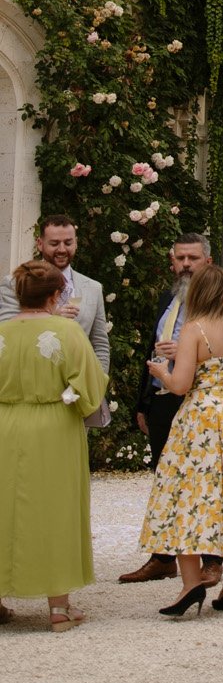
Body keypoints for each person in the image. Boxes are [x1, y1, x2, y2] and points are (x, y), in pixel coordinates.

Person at [140, 261, 223, 616]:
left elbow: (181, 385)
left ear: (197, 293)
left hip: (201, 418)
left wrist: (160, 372)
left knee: (187, 493)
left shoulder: (194, 330)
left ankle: (190, 585)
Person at [120, 233, 223, 585]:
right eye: (180, 259)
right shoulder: (166, 297)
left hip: (202, 401)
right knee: (167, 481)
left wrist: (189, 355)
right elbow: (152, 345)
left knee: (209, 481)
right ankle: (163, 558)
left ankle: (211, 560)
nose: (186, 265)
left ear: (208, 261)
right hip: (164, 396)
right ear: (172, 262)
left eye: (192, 258)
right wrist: (143, 401)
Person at [0, 258, 107, 629]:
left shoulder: (1, 333)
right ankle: (59, 607)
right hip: (52, 426)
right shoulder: (66, 332)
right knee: (56, 510)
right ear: (56, 294)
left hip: (4, 424)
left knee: (3, 507)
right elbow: (90, 388)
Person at [0, 214, 111, 376]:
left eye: (68, 243)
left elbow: (99, 344)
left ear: (76, 243)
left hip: (79, 387)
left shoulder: (93, 288)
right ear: (40, 244)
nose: (62, 249)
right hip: (32, 381)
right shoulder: (15, 283)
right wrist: (50, 317)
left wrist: (98, 385)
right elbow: (5, 332)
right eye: (54, 243)